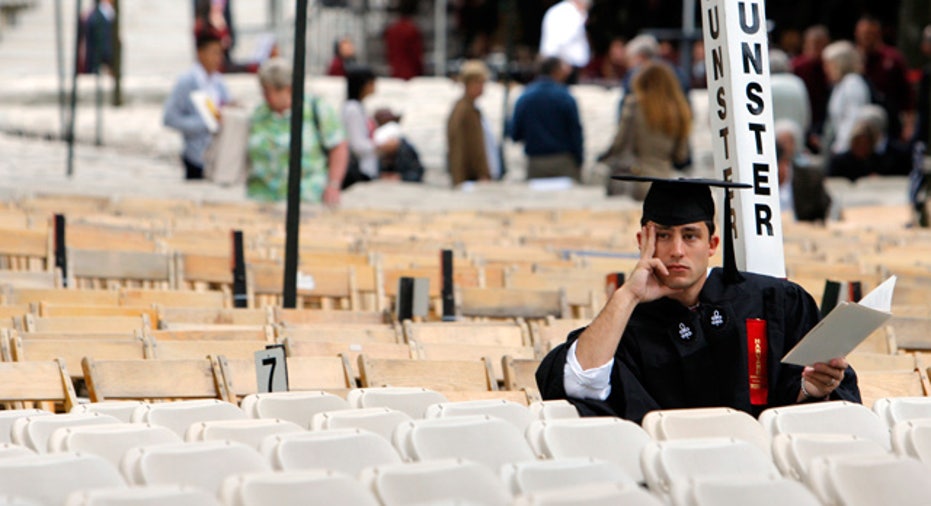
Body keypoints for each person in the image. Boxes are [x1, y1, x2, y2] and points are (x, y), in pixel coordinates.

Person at [535, 176, 861, 423]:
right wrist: (629, 295)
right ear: (642, 241)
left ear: (712, 243)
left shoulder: (773, 301)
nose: (677, 250)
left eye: (690, 236)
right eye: (663, 235)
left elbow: (814, 401)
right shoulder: (630, 324)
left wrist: (810, 391)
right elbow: (579, 384)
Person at [246, 57, 349, 205]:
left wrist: (333, 185)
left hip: (306, 198)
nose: (266, 98)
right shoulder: (259, 113)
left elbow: (338, 145)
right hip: (261, 197)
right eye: (264, 92)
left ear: (289, 89)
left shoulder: (316, 108)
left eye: (271, 92)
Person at [601, 62, 691, 199]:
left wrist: (603, 158)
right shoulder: (680, 110)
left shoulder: (634, 105)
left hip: (637, 178)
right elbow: (681, 155)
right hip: (664, 181)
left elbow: (620, 141)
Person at [163, 33, 232, 180]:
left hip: (219, 154)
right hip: (196, 156)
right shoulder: (187, 83)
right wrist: (205, 123)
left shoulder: (219, 83)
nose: (218, 58)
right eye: (214, 53)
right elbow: (170, 118)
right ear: (200, 53)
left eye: (220, 53)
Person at [510, 57, 584, 181]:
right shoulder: (565, 97)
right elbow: (575, 132)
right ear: (556, 71)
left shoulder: (525, 97)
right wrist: (579, 160)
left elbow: (515, 134)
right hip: (563, 161)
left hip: (535, 162)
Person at [855, 15, 913, 142]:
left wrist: (908, 126)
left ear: (879, 34)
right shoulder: (852, 59)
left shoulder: (893, 58)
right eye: (864, 33)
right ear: (857, 34)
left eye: (871, 33)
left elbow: (907, 95)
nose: (867, 37)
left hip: (889, 123)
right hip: (858, 124)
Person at [341, 65, 398, 188]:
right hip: (360, 169)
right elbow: (357, 144)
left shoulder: (359, 107)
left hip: (368, 166)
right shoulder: (352, 109)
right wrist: (382, 147)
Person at [447, 60, 499, 185]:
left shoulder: (473, 109)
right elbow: (459, 147)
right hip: (472, 180)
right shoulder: (463, 110)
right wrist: (461, 180)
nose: (482, 87)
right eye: (479, 82)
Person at [775, 120, 832, 223]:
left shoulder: (810, 178)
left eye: (789, 142)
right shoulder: (758, 179)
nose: (786, 146)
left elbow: (823, 209)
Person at [821, 40, 870, 155]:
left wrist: (842, 146)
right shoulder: (840, 85)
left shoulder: (853, 83)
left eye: (828, 64)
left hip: (848, 150)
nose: (825, 69)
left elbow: (853, 118)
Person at [539, 0, 591, 83]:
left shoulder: (562, 11)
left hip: (562, 66)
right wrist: (563, 65)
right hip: (562, 67)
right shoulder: (569, 13)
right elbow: (561, 41)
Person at [384, 0, 424, 80]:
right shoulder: (411, 30)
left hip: (395, 71)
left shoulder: (392, 29)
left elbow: (389, 52)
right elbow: (416, 55)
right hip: (410, 74)